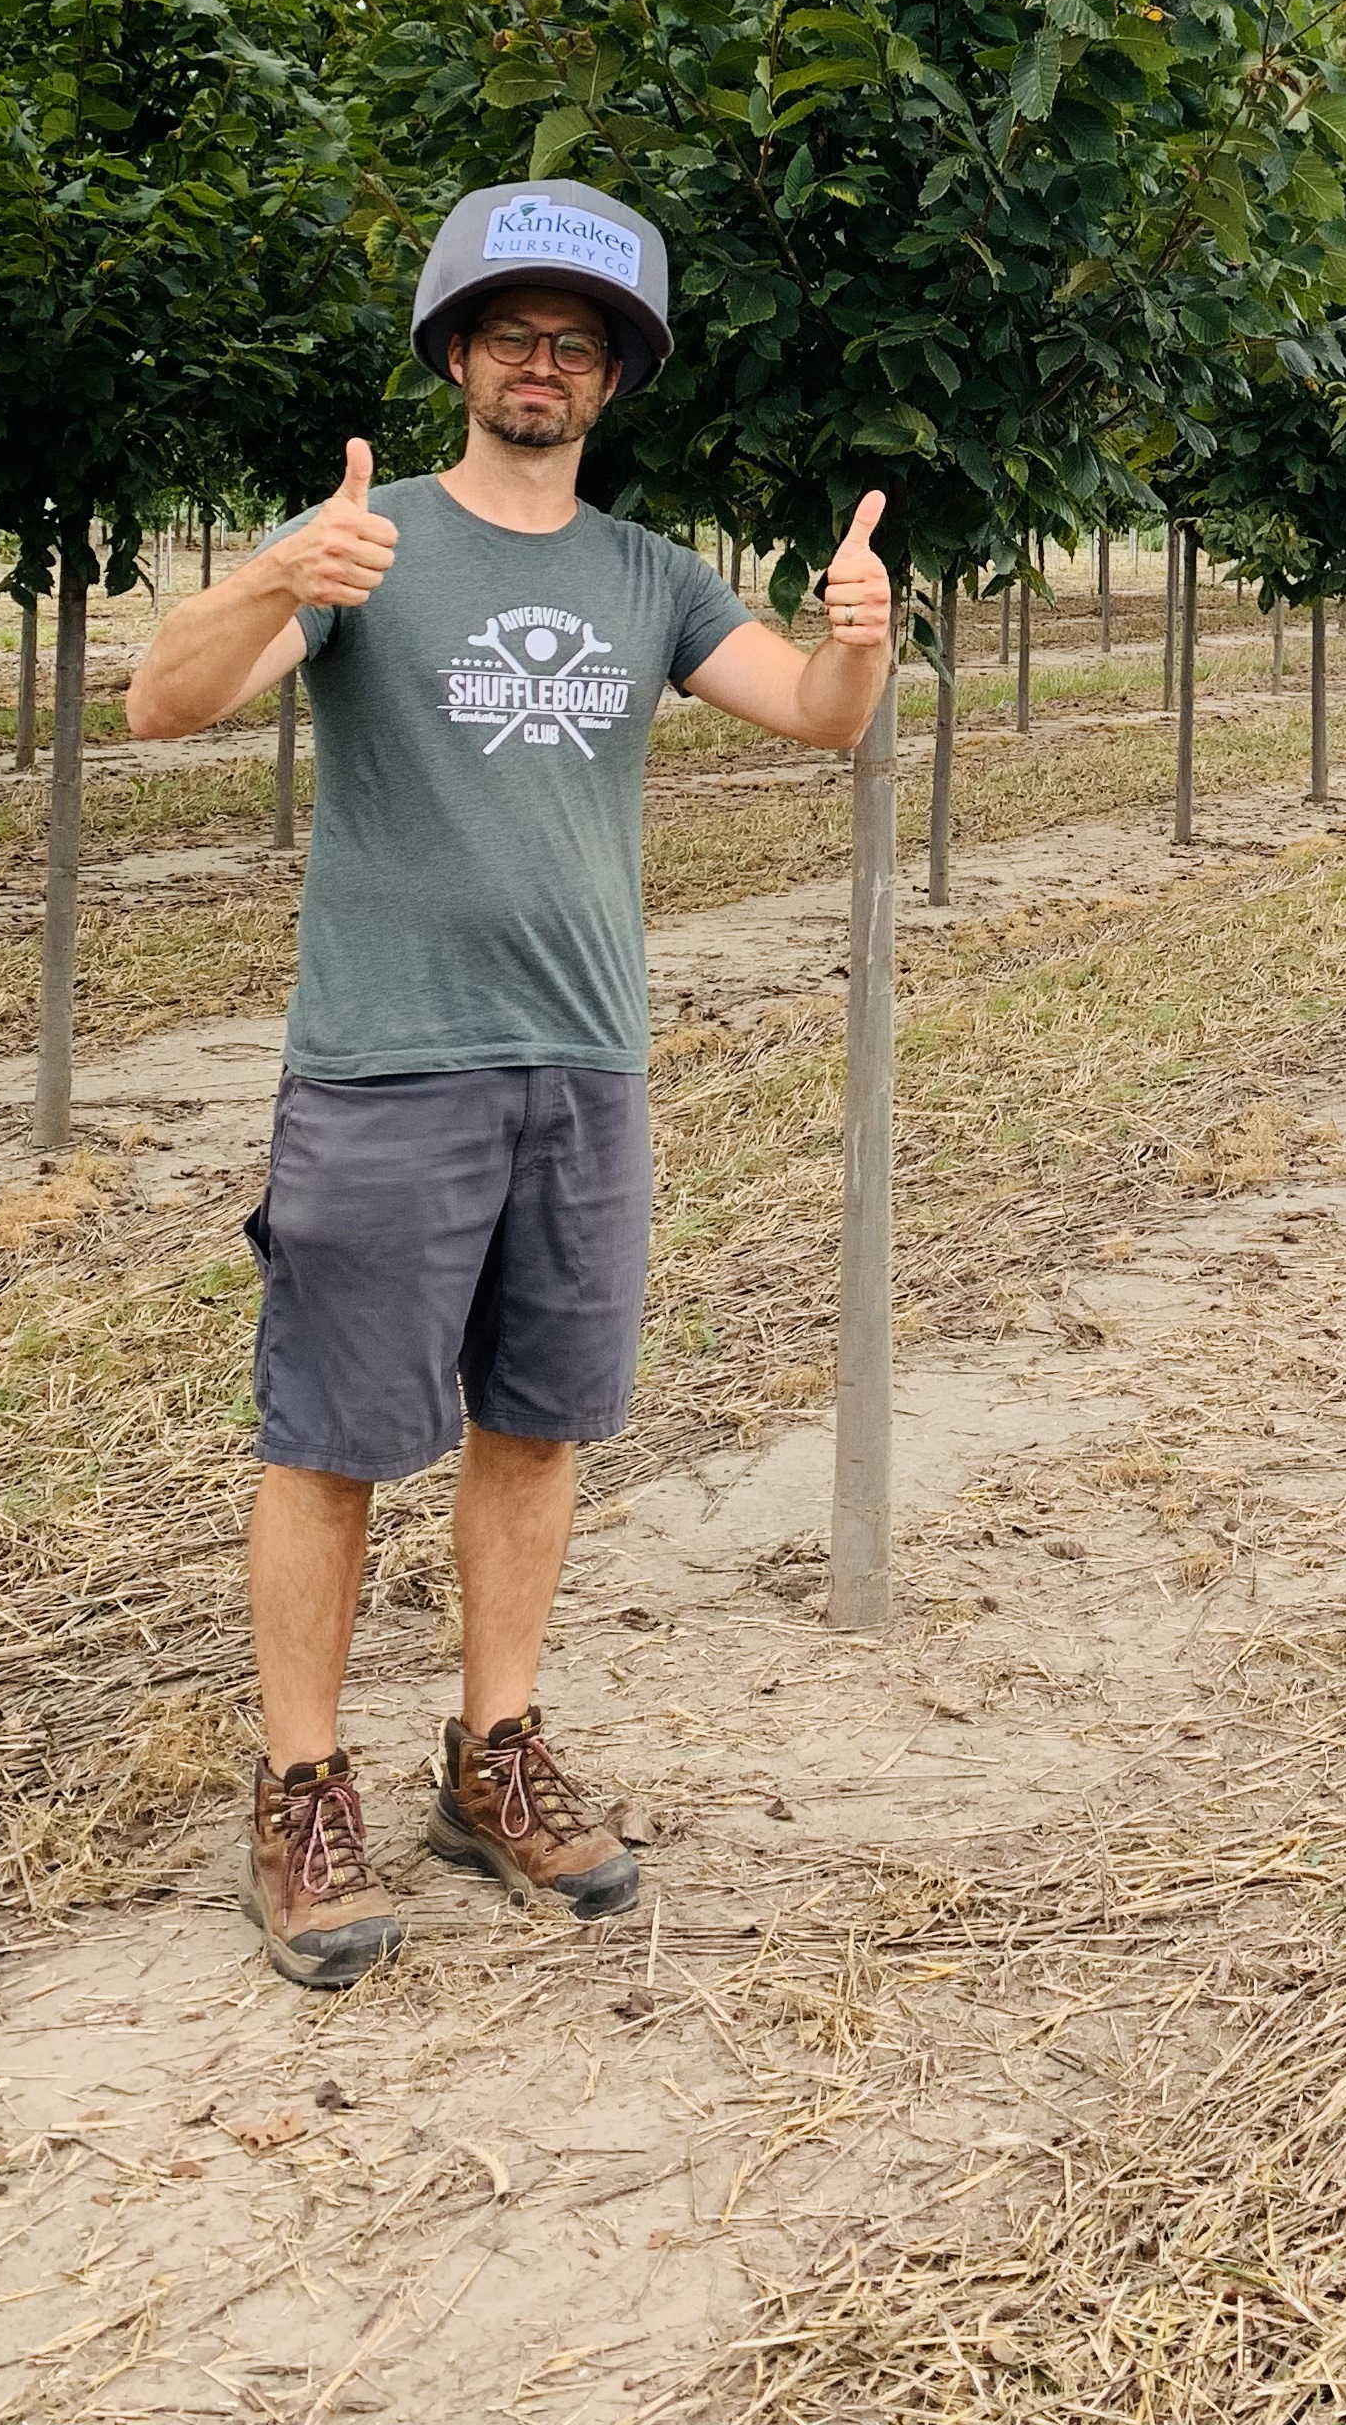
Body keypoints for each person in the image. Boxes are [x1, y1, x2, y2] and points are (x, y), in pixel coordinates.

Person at [124, 180, 895, 1987]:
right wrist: (263, 576)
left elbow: (820, 718)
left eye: (577, 343)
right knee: (329, 1441)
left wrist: (857, 628)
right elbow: (160, 708)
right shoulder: (364, 544)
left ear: (611, 378)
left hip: (585, 1063)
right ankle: (302, 1790)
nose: (539, 365)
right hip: (386, 1063)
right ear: (457, 354)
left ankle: (494, 1757)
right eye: (510, 335)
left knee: (535, 1422)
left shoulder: (647, 574)